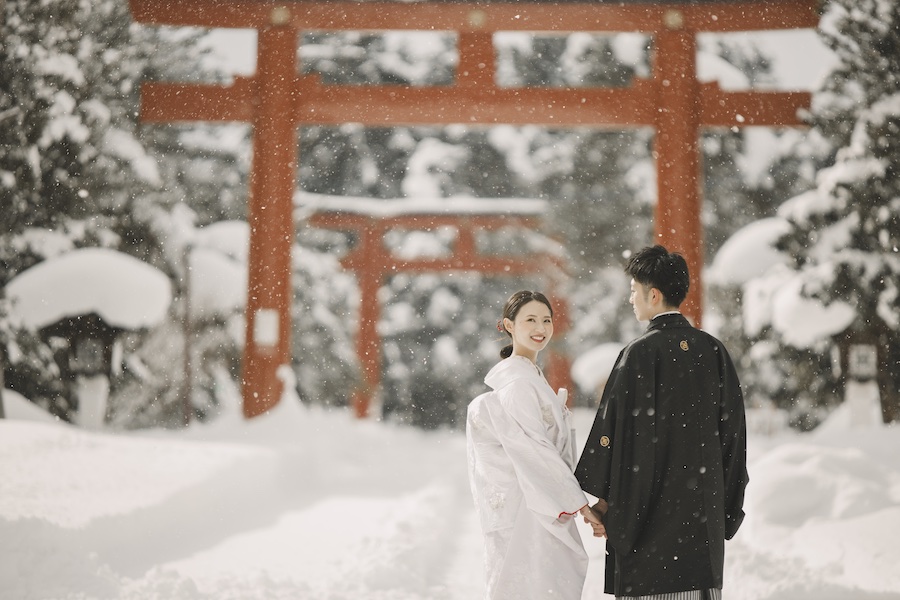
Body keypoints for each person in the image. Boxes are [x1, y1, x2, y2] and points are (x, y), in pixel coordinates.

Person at [575, 245, 749, 600]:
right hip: (702, 529)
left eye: (633, 291)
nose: (630, 299)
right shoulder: (713, 351)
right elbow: (733, 439)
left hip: (648, 527)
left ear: (652, 295)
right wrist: (726, 510)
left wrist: (606, 504)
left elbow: (615, 437)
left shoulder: (639, 354)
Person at [466, 290, 600, 599]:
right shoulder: (518, 383)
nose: (540, 328)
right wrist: (578, 503)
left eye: (546, 320)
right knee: (535, 585)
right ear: (509, 326)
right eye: (530, 320)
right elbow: (533, 449)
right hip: (531, 504)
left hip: (538, 498)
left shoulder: (530, 377)